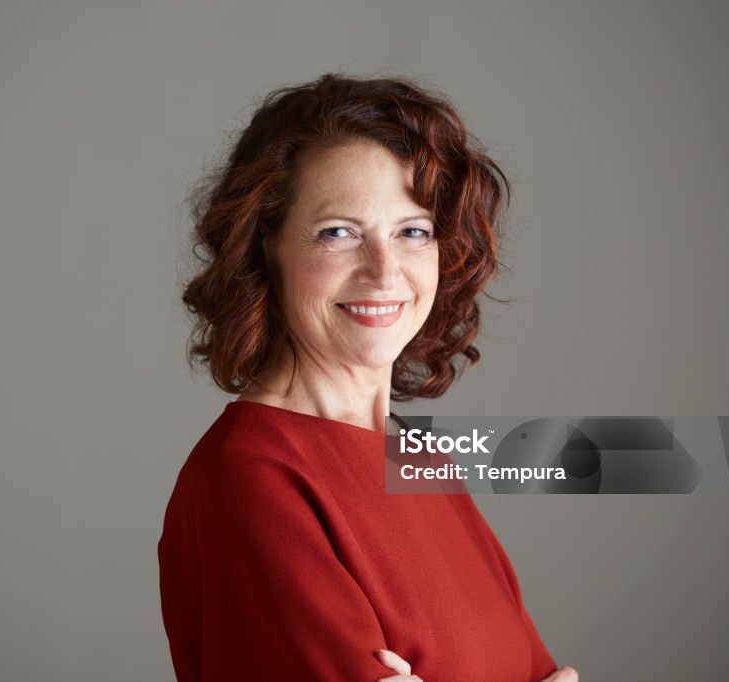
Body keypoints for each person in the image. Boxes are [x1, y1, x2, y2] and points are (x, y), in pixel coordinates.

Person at [159, 73, 578, 682]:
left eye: (413, 231)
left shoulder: (419, 459)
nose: (384, 272)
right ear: (263, 247)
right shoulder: (252, 478)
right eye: (339, 233)